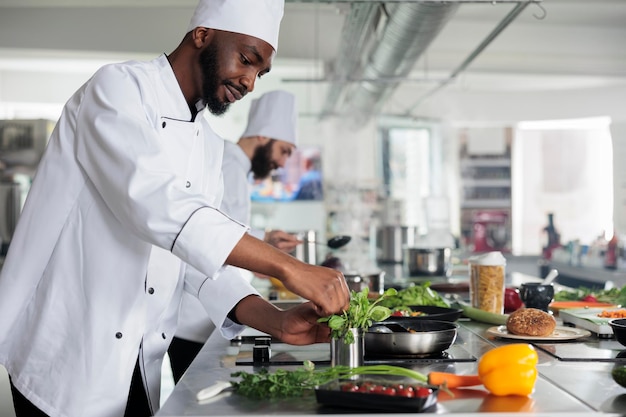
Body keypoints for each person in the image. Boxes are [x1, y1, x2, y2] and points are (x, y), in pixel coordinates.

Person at [0, 1, 350, 417]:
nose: (250, 81)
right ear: (202, 35)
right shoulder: (118, 89)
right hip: (67, 356)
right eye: (247, 59)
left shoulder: (206, 142)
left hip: (138, 360)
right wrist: (288, 267)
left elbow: (199, 263)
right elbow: (155, 204)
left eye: (259, 72)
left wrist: (274, 320)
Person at [168, 89, 303, 383]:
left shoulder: (234, 167)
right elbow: (207, 239)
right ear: (264, 137)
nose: (282, 163)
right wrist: (279, 263)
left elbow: (223, 227)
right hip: (196, 314)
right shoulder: (228, 165)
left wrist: (265, 239)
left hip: (209, 311)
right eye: (284, 151)